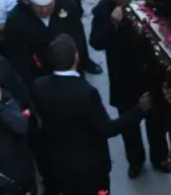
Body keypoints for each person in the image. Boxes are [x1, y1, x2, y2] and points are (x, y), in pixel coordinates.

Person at [31, 34, 150, 195]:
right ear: (76, 57)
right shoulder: (86, 93)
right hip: (89, 171)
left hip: (57, 165)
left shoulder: (39, 86)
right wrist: (139, 110)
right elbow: (108, 129)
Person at [89, 0, 170, 178]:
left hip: (149, 77)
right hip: (123, 78)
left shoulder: (147, 5)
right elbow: (96, 42)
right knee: (129, 126)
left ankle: (160, 157)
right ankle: (136, 161)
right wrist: (112, 25)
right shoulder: (103, 11)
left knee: (156, 122)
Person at [2, 0, 99, 83]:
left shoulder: (69, 6)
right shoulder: (16, 21)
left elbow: (78, 37)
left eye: (48, 5)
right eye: (38, 6)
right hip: (38, 73)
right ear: (28, 3)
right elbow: (19, 58)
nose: (44, 10)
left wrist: (80, 61)